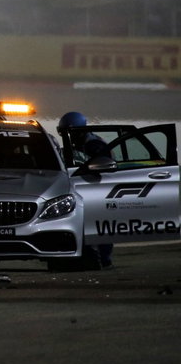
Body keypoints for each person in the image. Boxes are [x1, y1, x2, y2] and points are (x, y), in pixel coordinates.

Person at [57, 110, 114, 268]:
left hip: (98, 187)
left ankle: (103, 258)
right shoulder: (78, 144)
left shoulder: (94, 145)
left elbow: (102, 165)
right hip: (87, 186)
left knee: (99, 224)